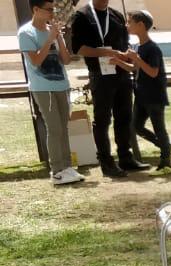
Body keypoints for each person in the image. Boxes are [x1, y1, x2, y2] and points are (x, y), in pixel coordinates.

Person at [71, 0, 147, 177]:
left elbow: (124, 43)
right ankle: (106, 162)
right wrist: (109, 53)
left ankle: (126, 157)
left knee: (124, 116)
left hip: (121, 73)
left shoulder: (116, 15)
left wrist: (128, 56)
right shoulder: (82, 16)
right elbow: (79, 48)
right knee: (103, 119)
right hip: (100, 74)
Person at [19, 0, 82, 185]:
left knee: (63, 127)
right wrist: (49, 39)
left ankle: (67, 167)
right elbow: (36, 61)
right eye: (48, 10)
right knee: (54, 128)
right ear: (36, 10)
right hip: (42, 87)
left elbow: (66, 60)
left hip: (61, 85)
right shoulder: (26, 33)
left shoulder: (51, 30)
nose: (52, 14)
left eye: (53, 10)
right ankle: (56, 171)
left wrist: (59, 37)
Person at [126, 11, 171, 173]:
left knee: (159, 128)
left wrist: (137, 58)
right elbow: (134, 68)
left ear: (141, 25)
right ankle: (166, 147)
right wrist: (117, 61)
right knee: (136, 126)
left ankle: (166, 163)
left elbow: (153, 72)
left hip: (154, 96)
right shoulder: (138, 47)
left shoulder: (153, 49)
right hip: (141, 95)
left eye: (130, 22)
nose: (127, 25)